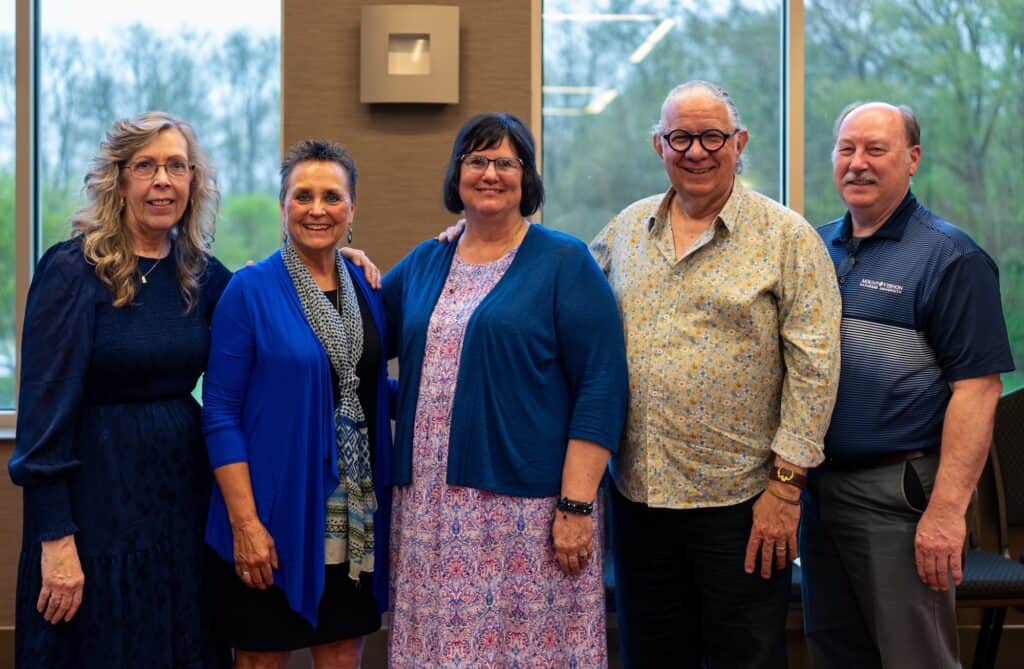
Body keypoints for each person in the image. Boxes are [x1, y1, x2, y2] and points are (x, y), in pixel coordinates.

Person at [590, 81, 842, 668]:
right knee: (651, 656)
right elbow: (559, 292)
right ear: (659, 145)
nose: (696, 151)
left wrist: (785, 489)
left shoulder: (787, 237)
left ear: (739, 142)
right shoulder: (626, 230)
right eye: (681, 137)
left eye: (712, 137)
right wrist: (474, 235)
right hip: (639, 498)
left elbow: (816, 368)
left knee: (745, 657)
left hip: (743, 503)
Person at [383, 112, 628, 668]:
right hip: (427, 512)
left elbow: (601, 385)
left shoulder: (564, 261)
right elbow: (358, 330)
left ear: (527, 176)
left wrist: (576, 505)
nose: (490, 173)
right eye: (476, 160)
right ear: (457, 173)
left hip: (528, 515)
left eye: (505, 162)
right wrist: (327, 264)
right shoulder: (426, 261)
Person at [8, 112, 232, 667]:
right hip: (95, 507)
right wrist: (55, 538)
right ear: (118, 179)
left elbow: (273, 305)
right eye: (145, 166)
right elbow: (41, 414)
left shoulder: (200, 274)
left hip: (181, 502)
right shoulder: (73, 271)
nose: (163, 181)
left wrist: (333, 260)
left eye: (176, 166)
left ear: (193, 180)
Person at [800, 102, 1014, 669]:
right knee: (834, 652)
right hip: (818, 494)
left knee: (914, 658)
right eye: (847, 149)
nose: (858, 163)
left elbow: (978, 391)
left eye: (876, 149)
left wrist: (946, 513)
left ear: (912, 159)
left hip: (896, 496)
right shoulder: (814, 249)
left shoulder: (951, 257)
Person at [202, 139, 392, 669]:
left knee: (342, 655)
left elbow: (368, 387)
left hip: (353, 519)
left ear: (352, 208)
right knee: (261, 659)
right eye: (302, 195)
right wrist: (246, 524)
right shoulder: (249, 291)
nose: (316, 209)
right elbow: (220, 413)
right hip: (273, 517)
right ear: (282, 205)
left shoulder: (367, 289)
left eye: (331, 196)